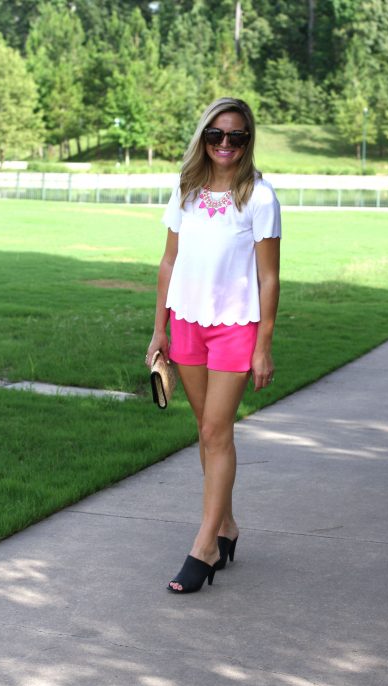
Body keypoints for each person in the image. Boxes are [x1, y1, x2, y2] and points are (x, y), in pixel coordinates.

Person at [146, 97, 281, 594]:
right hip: (185, 324)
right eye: (216, 135)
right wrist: (158, 329)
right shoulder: (185, 190)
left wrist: (263, 345)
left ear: (248, 142)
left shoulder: (260, 197)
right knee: (205, 431)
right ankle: (226, 526)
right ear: (203, 137)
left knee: (218, 431)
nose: (226, 144)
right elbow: (168, 263)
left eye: (237, 136)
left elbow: (269, 278)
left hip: (235, 327)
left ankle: (204, 545)